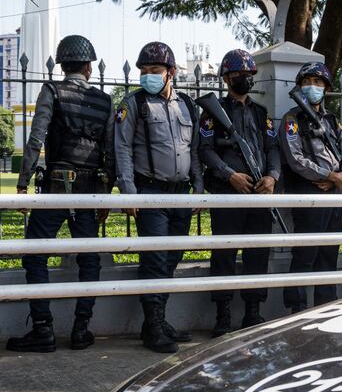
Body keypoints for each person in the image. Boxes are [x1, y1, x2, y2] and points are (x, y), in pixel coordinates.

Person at [7, 34, 113, 353]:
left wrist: (23, 182)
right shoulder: (104, 101)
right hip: (91, 191)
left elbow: (36, 138)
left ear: (62, 65)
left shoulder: (51, 90)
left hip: (55, 187)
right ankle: (82, 329)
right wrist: (107, 194)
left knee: (34, 255)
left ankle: (43, 330)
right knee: (89, 259)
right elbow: (109, 153)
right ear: (89, 67)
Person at [114, 41, 202, 353]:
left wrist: (198, 192)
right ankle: (153, 326)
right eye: (144, 72)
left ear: (171, 73)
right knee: (155, 259)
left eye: (155, 71)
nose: (148, 76)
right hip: (149, 192)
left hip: (181, 194)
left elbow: (194, 152)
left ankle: (158, 318)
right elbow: (122, 149)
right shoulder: (133, 104)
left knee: (172, 258)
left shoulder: (187, 106)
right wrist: (129, 194)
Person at [198, 49, 280, 336]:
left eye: (248, 75)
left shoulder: (261, 114)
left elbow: (272, 150)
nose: (244, 79)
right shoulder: (212, 113)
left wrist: (272, 177)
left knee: (258, 253)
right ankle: (222, 316)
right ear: (226, 78)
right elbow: (205, 150)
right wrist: (230, 175)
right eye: (238, 75)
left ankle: (253, 313)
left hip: (259, 193)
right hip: (227, 193)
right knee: (224, 254)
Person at [280, 62, 342, 313]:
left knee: (328, 254)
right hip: (308, 194)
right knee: (305, 255)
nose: (313, 87)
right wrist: (329, 175)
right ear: (300, 87)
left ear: (327, 88)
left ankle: (326, 308)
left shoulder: (333, 121)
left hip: (333, 196)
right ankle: (297, 310)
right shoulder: (292, 119)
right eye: (308, 82)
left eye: (318, 82)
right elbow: (295, 159)